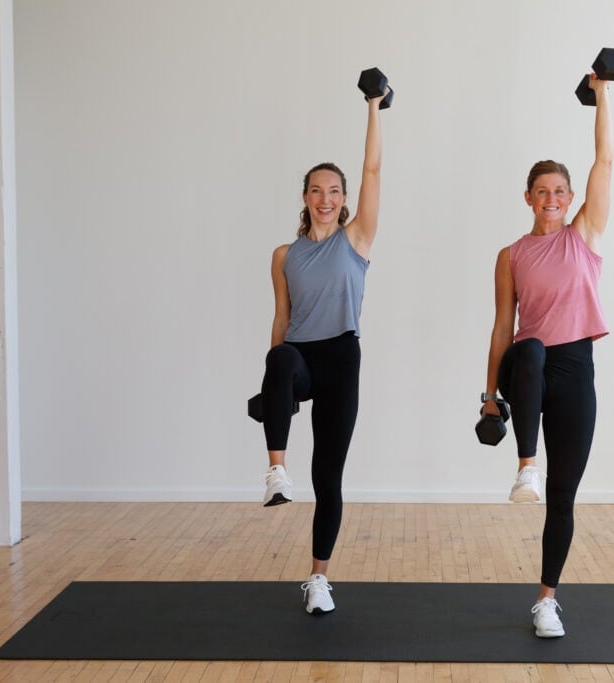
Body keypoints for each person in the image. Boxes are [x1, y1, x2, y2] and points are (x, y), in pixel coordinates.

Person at [481, 72, 613, 638]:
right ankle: (523, 464)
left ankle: (546, 600)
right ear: (529, 196)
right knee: (529, 346)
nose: (554, 199)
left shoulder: (583, 236)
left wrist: (602, 94)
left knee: (564, 499)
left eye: (561, 191)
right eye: (544, 191)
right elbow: (501, 329)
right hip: (526, 369)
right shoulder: (511, 254)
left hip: (576, 370)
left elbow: (604, 163)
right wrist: (490, 397)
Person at [256, 84, 387, 615]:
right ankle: (274, 472)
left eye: (334, 191)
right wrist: (274, 391)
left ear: (345, 198)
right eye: (316, 190)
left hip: (341, 360)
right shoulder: (283, 254)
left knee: (328, 476)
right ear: (304, 197)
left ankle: (318, 578)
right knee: (279, 356)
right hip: (300, 359)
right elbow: (282, 320)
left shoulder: (355, 240)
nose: (326, 199)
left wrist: (374, 107)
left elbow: (374, 171)